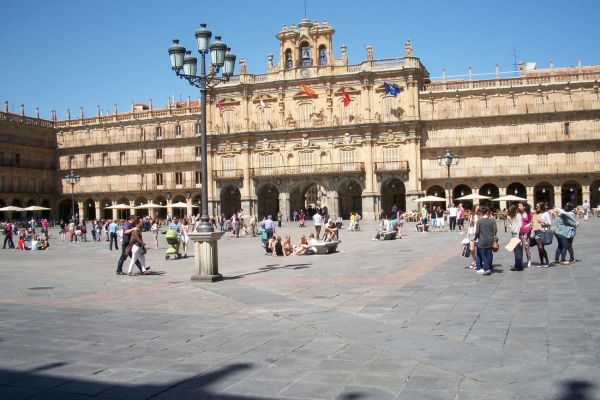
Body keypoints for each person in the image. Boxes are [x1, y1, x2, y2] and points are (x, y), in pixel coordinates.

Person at [474, 205, 496, 275]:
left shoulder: (479, 221)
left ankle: (487, 269)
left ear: (481, 212)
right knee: (489, 254)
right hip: (490, 240)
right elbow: (495, 230)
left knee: (483, 255)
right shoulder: (492, 220)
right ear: (487, 212)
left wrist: (475, 237)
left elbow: (477, 232)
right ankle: (491, 267)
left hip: (482, 240)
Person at [532, 202, 551, 268]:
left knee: (541, 247)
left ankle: (547, 261)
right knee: (539, 247)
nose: (536, 207)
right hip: (537, 232)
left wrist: (542, 221)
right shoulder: (536, 214)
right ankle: (542, 262)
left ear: (541, 206)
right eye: (536, 206)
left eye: (538, 206)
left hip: (543, 232)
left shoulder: (546, 214)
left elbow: (549, 224)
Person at [507, 205, 524, 271]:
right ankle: (517, 265)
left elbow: (520, 225)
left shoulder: (518, 215)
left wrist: (517, 234)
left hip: (517, 234)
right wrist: (509, 220)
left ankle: (519, 266)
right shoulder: (514, 216)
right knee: (516, 250)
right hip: (514, 233)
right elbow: (513, 225)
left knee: (517, 250)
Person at [518, 202, 533, 268]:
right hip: (519, 232)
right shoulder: (519, 214)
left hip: (526, 232)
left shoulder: (529, 213)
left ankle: (529, 260)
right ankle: (520, 261)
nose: (519, 207)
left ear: (524, 207)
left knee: (526, 247)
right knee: (519, 247)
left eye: (520, 206)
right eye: (519, 206)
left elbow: (532, 221)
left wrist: (528, 225)